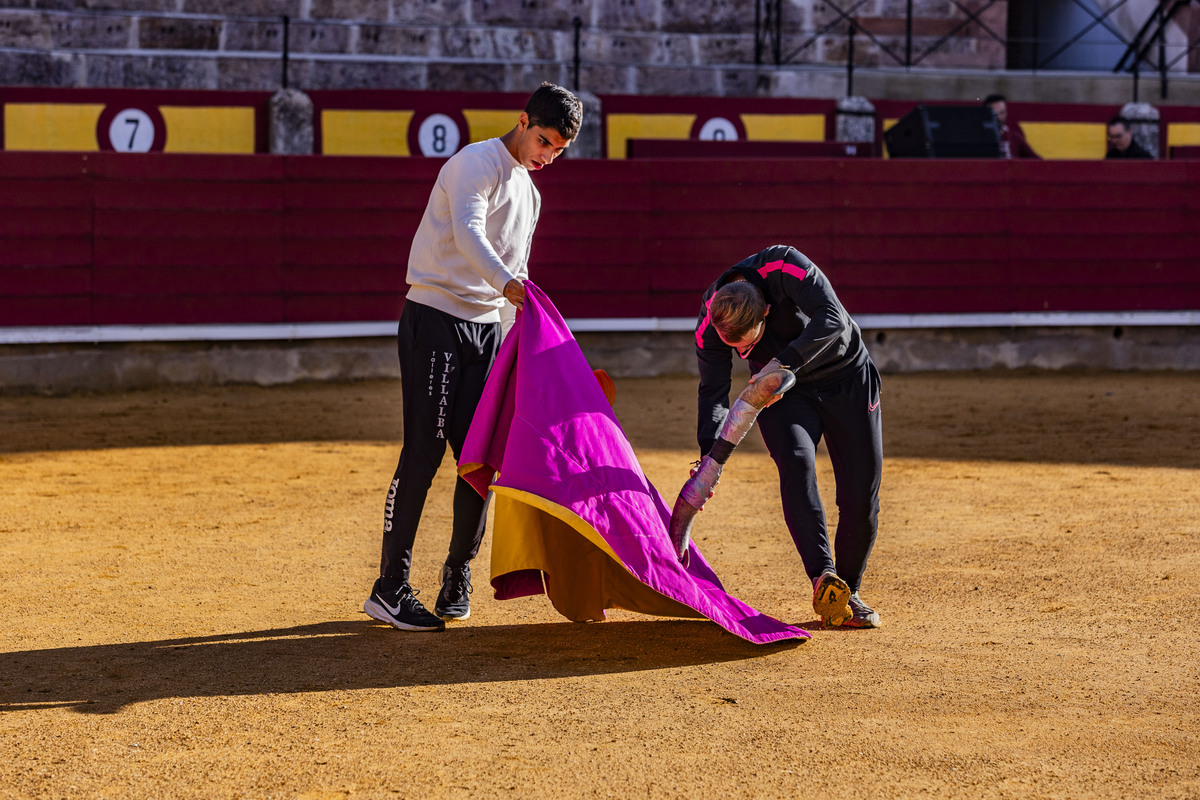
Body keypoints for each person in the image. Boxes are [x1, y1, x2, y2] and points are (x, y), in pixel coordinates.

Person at [364, 82, 583, 632]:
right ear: (522, 119)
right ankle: (389, 587)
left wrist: (516, 343)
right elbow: (469, 234)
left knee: (479, 459)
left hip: (485, 331)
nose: (547, 156)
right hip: (434, 317)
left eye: (557, 150)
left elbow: (519, 271)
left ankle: (455, 573)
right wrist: (508, 286)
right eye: (543, 140)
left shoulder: (531, 195)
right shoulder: (474, 162)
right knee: (424, 450)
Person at [694, 245, 883, 628]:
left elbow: (834, 320)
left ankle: (850, 589)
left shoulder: (786, 265)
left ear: (765, 310)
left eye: (749, 343)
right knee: (795, 463)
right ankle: (824, 579)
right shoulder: (712, 317)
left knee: (860, 491)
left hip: (845, 377)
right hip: (782, 394)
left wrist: (781, 366)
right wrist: (709, 460)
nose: (743, 352)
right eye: (737, 349)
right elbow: (713, 392)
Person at [983, 93, 1039, 159]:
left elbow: (1037, 161)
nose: (999, 117)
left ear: (1006, 113)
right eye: (994, 113)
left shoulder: (1014, 136)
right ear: (986, 113)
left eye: (1002, 113)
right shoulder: (979, 138)